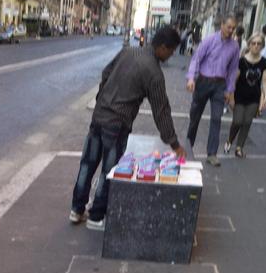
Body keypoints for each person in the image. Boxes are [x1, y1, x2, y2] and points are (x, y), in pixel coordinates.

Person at [69, 26, 186, 230]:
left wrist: (101, 100)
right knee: (110, 170)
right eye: (172, 50)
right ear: (163, 47)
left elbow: (106, 73)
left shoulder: (128, 51)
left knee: (87, 164)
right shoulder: (154, 73)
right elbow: (161, 112)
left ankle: (76, 209)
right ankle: (96, 216)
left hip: (99, 117)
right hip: (117, 124)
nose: (172, 54)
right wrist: (174, 143)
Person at [186, 14, 240, 167]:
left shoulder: (235, 46)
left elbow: (233, 69)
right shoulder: (209, 40)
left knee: (217, 118)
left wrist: (230, 90)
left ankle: (212, 154)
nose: (230, 31)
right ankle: (188, 148)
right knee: (195, 117)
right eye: (228, 27)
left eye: (233, 28)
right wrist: (191, 78)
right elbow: (196, 58)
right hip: (203, 81)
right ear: (222, 25)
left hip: (220, 85)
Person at [223, 32, 266, 158]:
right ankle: (229, 141)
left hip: (254, 97)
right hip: (239, 96)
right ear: (249, 44)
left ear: (262, 46)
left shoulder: (264, 62)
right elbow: (234, 80)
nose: (256, 46)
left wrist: (265, 98)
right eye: (253, 43)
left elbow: (264, 80)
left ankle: (239, 148)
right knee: (237, 121)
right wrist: (230, 96)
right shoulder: (241, 61)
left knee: (247, 121)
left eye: (259, 44)